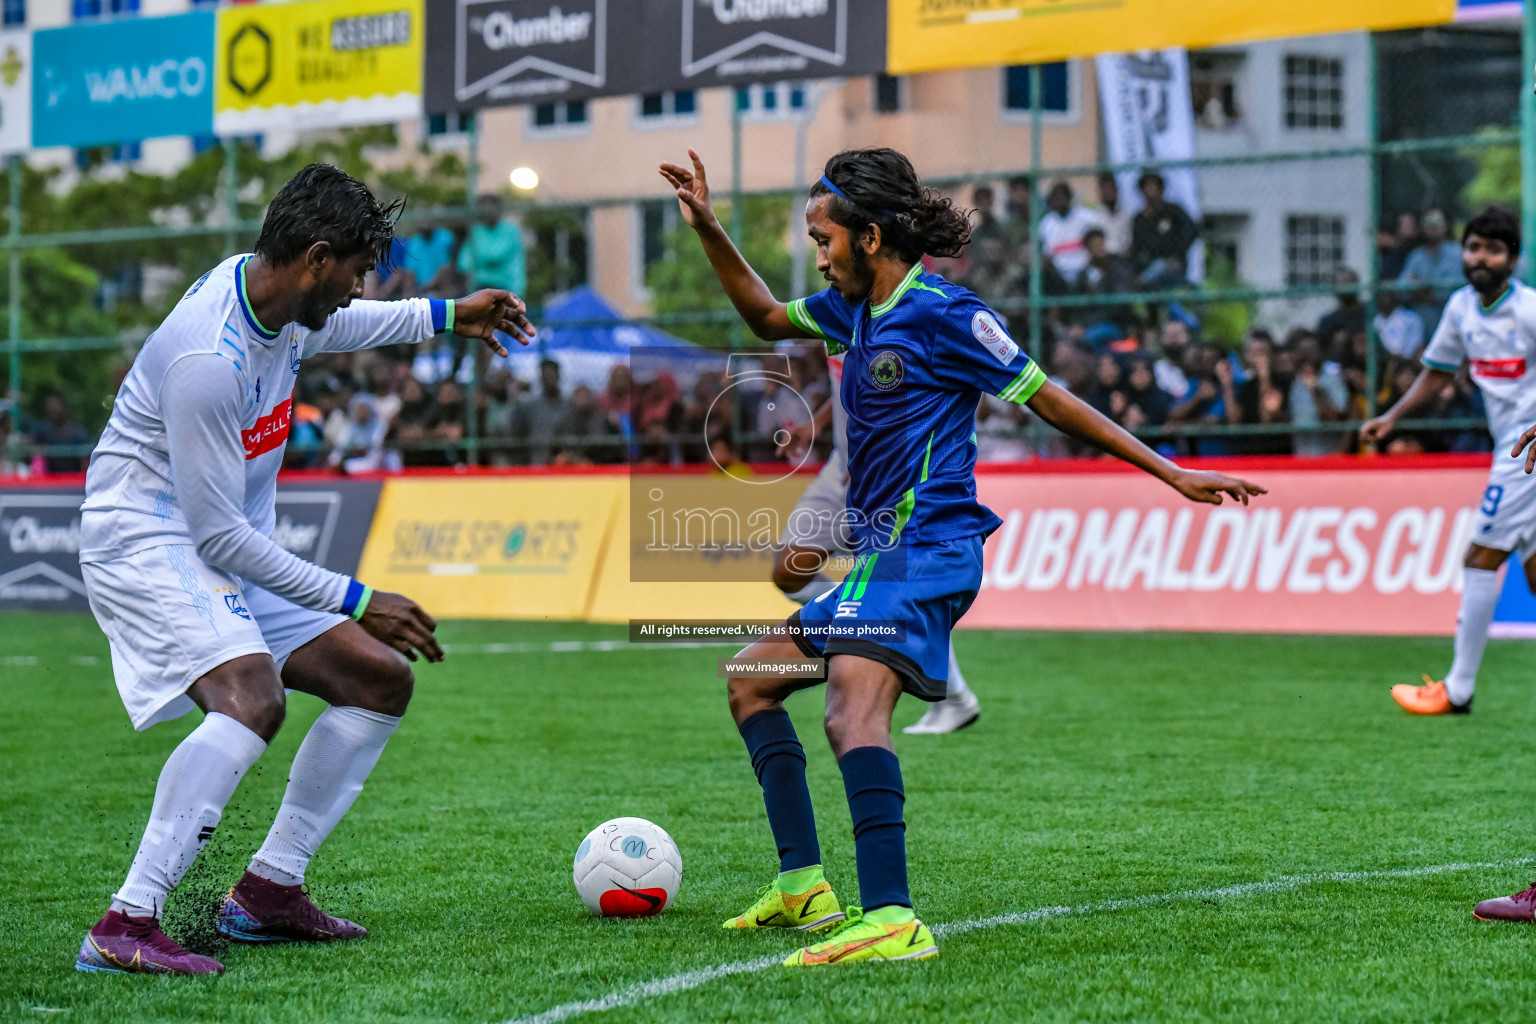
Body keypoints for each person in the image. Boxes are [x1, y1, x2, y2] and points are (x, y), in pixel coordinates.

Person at [658, 146, 1262, 966]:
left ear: (869, 237)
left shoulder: (945, 313)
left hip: (928, 548)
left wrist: (1167, 468)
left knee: (849, 714)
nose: (817, 251)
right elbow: (764, 317)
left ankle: (894, 919)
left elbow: (1046, 394)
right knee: (752, 683)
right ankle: (804, 887)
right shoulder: (853, 311)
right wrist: (710, 227)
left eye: (822, 235)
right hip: (883, 553)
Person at [73, 163, 533, 976]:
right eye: (355, 270)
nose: (359, 289)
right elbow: (220, 542)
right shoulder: (207, 357)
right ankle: (128, 920)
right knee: (252, 697)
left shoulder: (281, 302)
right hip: (144, 538)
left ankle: (268, 890)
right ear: (317, 258)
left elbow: (343, 327)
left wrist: (449, 315)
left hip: (218, 539)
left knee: (378, 679)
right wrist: (360, 596)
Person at [1361, 206, 1533, 722]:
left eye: (1493, 250)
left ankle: (1457, 690)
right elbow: (1437, 373)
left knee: (1480, 557)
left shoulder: (1528, 311)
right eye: (1474, 247)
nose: (1480, 258)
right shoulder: (1460, 308)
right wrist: (1393, 417)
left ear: (1513, 259)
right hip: (1510, 446)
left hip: (1523, 456)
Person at [1130, 170, 1198, 290]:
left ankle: (1141, 281)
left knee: (1161, 267)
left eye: (1154, 186)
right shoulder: (1139, 220)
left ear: (1161, 189)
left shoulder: (1173, 212)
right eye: (1147, 186)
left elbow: (1191, 231)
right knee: (1156, 268)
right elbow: (1138, 247)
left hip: (1174, 263)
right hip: (1149, 264)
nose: (1151, 190)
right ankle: (1143, 280)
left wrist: (1177, 256)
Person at [1037, 181, 1100, 285]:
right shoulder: (1046, 223)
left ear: (1070, 197)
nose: (1060, 200)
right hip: (1058, 273)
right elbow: (1046, 254)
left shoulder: (1086, 217)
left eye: (1063, 196)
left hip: (1085, 269)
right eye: (1056, 197)